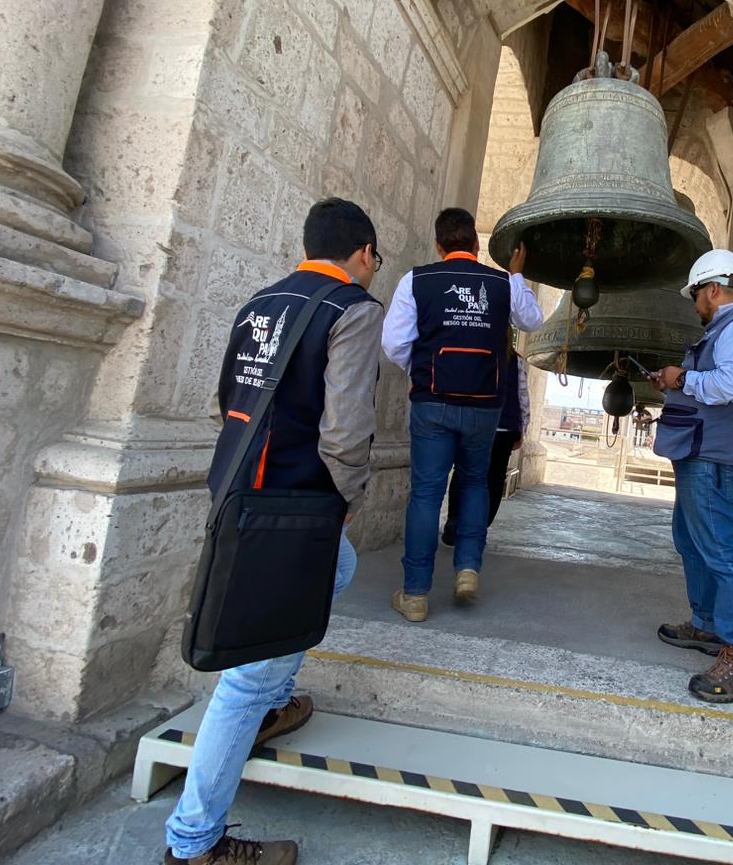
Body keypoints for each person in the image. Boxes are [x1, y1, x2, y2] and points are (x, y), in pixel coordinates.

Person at [163, 198, 384, 865]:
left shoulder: (261, 303)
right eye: (377, 259)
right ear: (364, 253)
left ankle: (273, 701)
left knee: (338, 572)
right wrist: (346, 499)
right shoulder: (353, 309)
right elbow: (345, 430)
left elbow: (225, 401)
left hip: (243, 494)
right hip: (296, 509)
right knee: (247, 679)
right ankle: (194, 841)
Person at [381, 208, 543, 621]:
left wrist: (424, 372)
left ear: (438, 245)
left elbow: (395, 344)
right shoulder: (502, 283)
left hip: (432, 403)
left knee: (426, 494)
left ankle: (415, 594)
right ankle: (468, 567)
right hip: (484, 406)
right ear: (475, 244)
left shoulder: (416, 280)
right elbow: (532, 319)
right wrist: (517, 275)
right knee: (474, 484)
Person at [649, 248, 733, 704]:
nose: (694, 304)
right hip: (701, 451)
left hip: (715, 456)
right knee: (691, 538)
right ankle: (707, 624)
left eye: (696, 295)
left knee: (721, 548)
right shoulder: (725, 330)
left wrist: (683, 380)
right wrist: (677, 379)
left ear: (714, 289)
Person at [441, 331, 530, 547]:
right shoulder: (517, 361)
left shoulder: (476, 353)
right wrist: (522, 429)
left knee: (464, 472)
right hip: (505, 428)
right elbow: (523, 396)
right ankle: (479, 528)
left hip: (475, 423)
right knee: (494, 479)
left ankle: (454, 524)